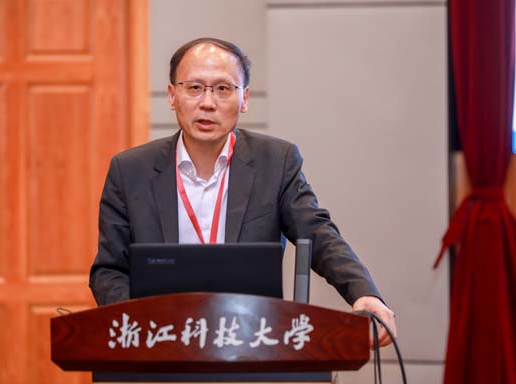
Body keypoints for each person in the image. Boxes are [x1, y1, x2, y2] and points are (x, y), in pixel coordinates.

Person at [89, 37, 397, 347]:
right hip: (159, 344)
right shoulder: (130, 171)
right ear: (172, 95)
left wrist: (364, 293)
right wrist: (143, 329)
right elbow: (109, 270)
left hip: (250, 342)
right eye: (194, 87)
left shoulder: (276, 162)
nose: (207, 103)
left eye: (223, 89)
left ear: (245, 98)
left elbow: (318, 234)